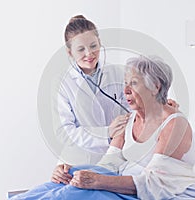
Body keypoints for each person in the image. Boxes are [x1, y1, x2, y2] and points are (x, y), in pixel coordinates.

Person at [10, 55, 195, 200]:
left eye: (134, 83)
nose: (125, 91)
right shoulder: (129, 120)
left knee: (68, 195)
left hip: (140, 194)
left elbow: (154, 184)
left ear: (155, 86)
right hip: (119, 186)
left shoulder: (174, 125)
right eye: (125, 83)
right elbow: (109, 165)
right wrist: (71, 171)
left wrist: (98, 181)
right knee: (56, 186)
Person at [51, 15, 179, 185]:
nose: (89, 53)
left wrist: (162, 107)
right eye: (81, 49)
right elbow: (64, 132)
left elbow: (137, 109)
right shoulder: (62, 83)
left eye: (93, 46)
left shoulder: (117, 74)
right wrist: (106, 133)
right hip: (76, 162)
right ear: (70, 52)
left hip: (117, 161)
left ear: (100, 43)